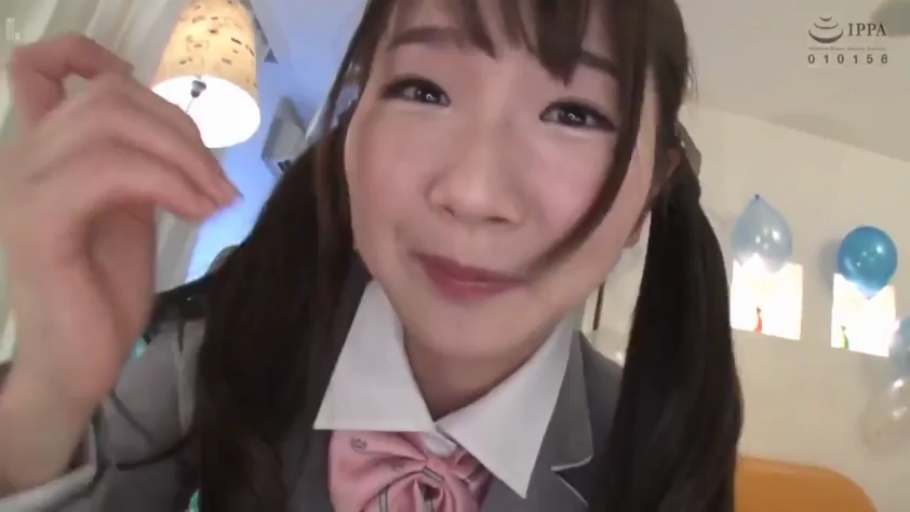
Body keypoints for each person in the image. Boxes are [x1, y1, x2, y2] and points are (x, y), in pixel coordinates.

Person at [0, 0, 743, 510]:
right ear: (352, 134)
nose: (472, 192)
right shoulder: (223, 340)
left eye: (573, 113)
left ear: (654, 187)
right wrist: (50, 392)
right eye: (423, 90)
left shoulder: (656, 453)